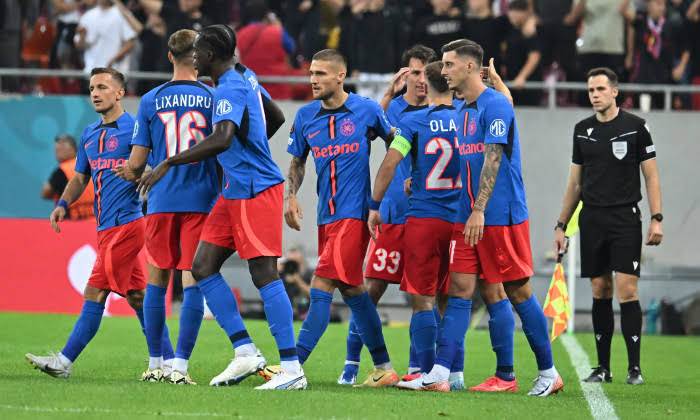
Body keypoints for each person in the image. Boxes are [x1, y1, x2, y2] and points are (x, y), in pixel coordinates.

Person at [137, 24, 304, 391]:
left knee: (264, 273)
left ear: (210, 55)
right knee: (202, 267)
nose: (194, 58)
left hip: (255, 188)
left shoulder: (228, 87)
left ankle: (292, 369)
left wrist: (169, 161)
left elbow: (223, 137)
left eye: (198, 52)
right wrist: (252, 145)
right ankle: (245, 351)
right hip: (234, 191)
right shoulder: (246, 75)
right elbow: (275, 116)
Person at [25, 68, 173, 378]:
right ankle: (169, 363)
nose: (95, 93)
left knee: (94, 292)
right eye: (92, 87)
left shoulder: (136, 128)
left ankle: (64, 362)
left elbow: (162, 164)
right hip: (105, 228)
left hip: (127, 224)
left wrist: (143, 175)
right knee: (138, 297)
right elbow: (80, 177)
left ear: (120, 93)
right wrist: (63, 204)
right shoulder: (90, 134)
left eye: (103, 87)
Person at [436, 39, 563, 396]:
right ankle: (441, 373)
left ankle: (548, 372)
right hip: (467, 216)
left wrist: (479, 209)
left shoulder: (495, 105)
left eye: (448, 64)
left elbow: (493, 158)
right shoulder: (462, 108)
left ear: (470, 67)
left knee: (518, 290)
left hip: (499, 215)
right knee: (459, 290)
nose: (443, 71)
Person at [281, 48, 398, 387]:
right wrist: (290, 195)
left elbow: (397, 143)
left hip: (354, 215)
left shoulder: (367, 110)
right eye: (311, 73)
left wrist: (401, 182)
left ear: (340, 76)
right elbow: (297, 161)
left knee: (321, 284)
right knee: (354, 292)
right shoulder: (305, 116)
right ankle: (384, 368)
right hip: (326, 217)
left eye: (320, 73)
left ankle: (292, 366)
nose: (313, 79)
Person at [111, 29, 219, 385]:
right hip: (202, 200)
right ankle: (180, 368)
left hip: (160, 201)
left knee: (157, 282)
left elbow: (137, 163)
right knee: (192, 283)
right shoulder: (213, 97)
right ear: (199, 56)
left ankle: (156, 363)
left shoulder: (150, 100)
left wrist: (129, 170)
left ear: (170, 57)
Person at [554, 67, 663, 385]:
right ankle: (603, 368)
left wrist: (657, 218)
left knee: (627, 290)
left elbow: (651, 176)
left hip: (625, 219)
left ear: (615, 91)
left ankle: (634, 368)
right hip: (592, 219)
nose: (595, 94)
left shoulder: (636, 127)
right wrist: (561, 225)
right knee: (600, 289)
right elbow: (575, 183)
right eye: (591, 90)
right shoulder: (582, 130)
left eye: (601, 89)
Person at [338, 44, 436, 386]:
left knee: (424, 295)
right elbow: (363, 135)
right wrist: (386, 96)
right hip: (392, 216)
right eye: (415, 72)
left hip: (428, 217)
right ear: (404, 74)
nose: (421, 80)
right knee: (371, 290)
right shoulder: (393, 109)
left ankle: (418, 368)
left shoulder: (443, 110)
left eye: (427, 73)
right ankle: (351, 364)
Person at [368, 60, 462, 393]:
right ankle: (455, 373)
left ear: (429, 84)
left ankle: (426, 373)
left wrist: (375, 205)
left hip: (425, 218)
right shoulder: (468, 118)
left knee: (423, 300)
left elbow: (390, 164)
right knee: (453, 298)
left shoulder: (412, 122)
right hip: (460, 220)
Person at [74, 0, 138, 74]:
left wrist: (114, 60)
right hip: (92, 73)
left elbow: (130, 43)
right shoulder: (88, 15)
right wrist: (82, 37)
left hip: (115, 73)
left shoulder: (122, 13)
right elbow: (78, 45)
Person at [41, 134, 95, 220]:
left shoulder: (63, 170)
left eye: (59, 150)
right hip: (95, 220)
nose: (57, 154)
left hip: (73, 221)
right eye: (56, 151)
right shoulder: (92, 164)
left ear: (72, 149)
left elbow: (45, 193)